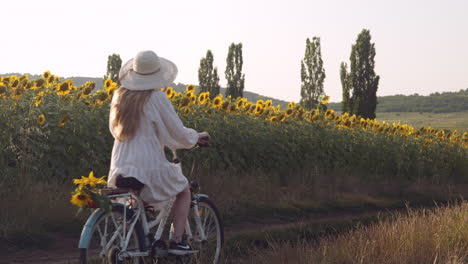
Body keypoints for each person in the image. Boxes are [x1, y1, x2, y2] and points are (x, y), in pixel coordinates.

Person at [107, 50, 209, 255]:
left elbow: (114, 129)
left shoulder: (120, 96)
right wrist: (196, 137)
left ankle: (135, 241)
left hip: (121, 163)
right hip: (147, 163)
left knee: (137, 203)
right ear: (156, 74)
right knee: (183, 190)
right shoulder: (155, 97)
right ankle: (177, 241)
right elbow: (177, 131)